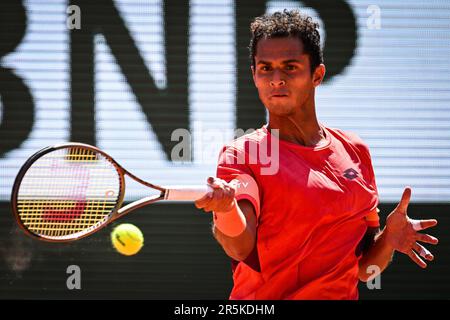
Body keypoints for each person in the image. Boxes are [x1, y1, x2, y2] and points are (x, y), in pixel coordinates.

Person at [195, 9, 439, 300]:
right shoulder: (243, 154)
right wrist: (225, 210)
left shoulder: (355, 150)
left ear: (317, 75)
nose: (276, 79)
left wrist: (388, 239)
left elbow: (365, 270)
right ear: (254, 76)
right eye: (265, 68)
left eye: (290, 67)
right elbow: (240, 247)